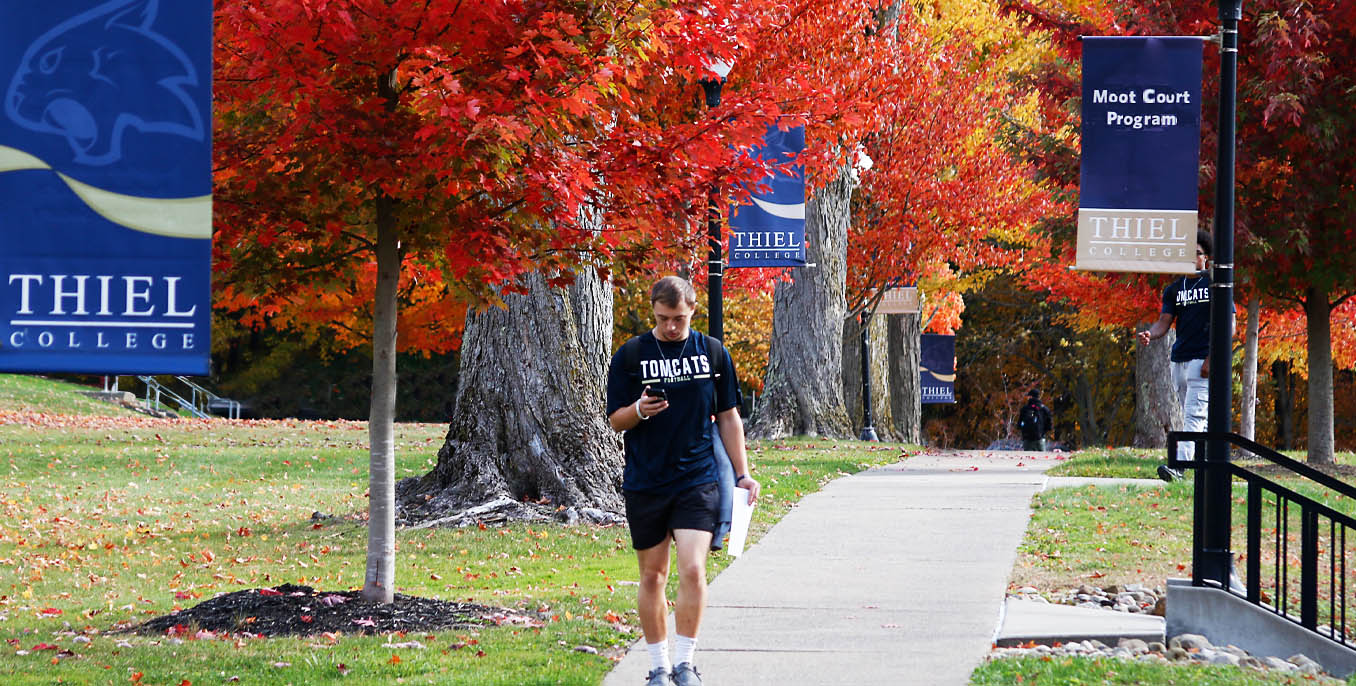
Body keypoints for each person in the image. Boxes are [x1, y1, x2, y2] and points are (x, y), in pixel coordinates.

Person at [606, 276, 761, 686]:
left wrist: (742, 474)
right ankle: (658, 666)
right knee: (653, 575)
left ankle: (685, 663)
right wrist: (639, 409)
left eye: (678, 318)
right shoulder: (631, 354)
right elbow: (615, 419)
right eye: (663, 318)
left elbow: (728, 416)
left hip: (697, 478)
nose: (671, 327)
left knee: (693, 570)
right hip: (646, 479)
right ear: (652, 310)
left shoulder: (712, 353)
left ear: (693, 309)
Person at [1136, 230, 1232, 480]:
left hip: (1203, 359)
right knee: (1197, 415)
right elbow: (1164, 322)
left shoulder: (1216, 285)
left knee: (1193, 415)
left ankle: (1179, 468)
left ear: (1206, 258)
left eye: (1197, 253)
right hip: (1179, 359)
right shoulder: (1174, 289)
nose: (1192, 258)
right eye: (1188, 253)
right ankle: (1214, 461)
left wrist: (1214, 356)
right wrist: (1151, 335)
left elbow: (1229, 324)